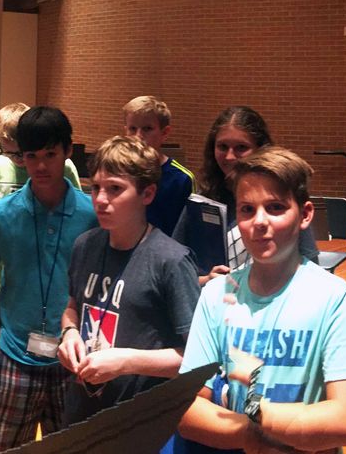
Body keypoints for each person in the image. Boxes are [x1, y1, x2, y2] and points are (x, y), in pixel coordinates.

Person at [177, 147, 346, 453]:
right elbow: (187, 409)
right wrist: (258, 437)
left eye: (275, 207)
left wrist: (254, 411)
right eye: (247, 209)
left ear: (305, 215)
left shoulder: (334, 297)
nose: (259, 221)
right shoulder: (217, 294)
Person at [0, 106, 98, 453]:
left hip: (73, 360)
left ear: (67, 151)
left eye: (50, 154)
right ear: (20, 158)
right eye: (31, 156)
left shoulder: (92, 215)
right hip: (14, 356)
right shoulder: (1, 214)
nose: (40, 166)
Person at [56, 135, 200, 430]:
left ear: (147, 194)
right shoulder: (85, 245)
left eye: (115, 189)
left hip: (139, 424)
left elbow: (197, 359)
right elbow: (72, 307)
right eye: (96, 187)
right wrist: (69, 333)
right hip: (82, 414)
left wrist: (126, 362)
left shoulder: (170, 260)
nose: (100, 199)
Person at [187, 106, 317, 283]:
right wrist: (206, 281)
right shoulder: (203, 201)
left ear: (260, 149)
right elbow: (180, 269)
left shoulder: (283, 197)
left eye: (241, 147)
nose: (230, 156)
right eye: (222, 147)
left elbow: (309, 264)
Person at [0, 102, 81, 224]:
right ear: (0, 144)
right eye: (9, 153)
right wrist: (3, 228)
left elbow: (78, 210)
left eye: (23, 153)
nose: (18, 159)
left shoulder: (64, 166)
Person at [121, 95, 194, 234]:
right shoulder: (118, 172)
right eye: (132, 129)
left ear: (164, 133)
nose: (138, 136)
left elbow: (188, 231)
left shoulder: (181, 179)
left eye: (147, 129)